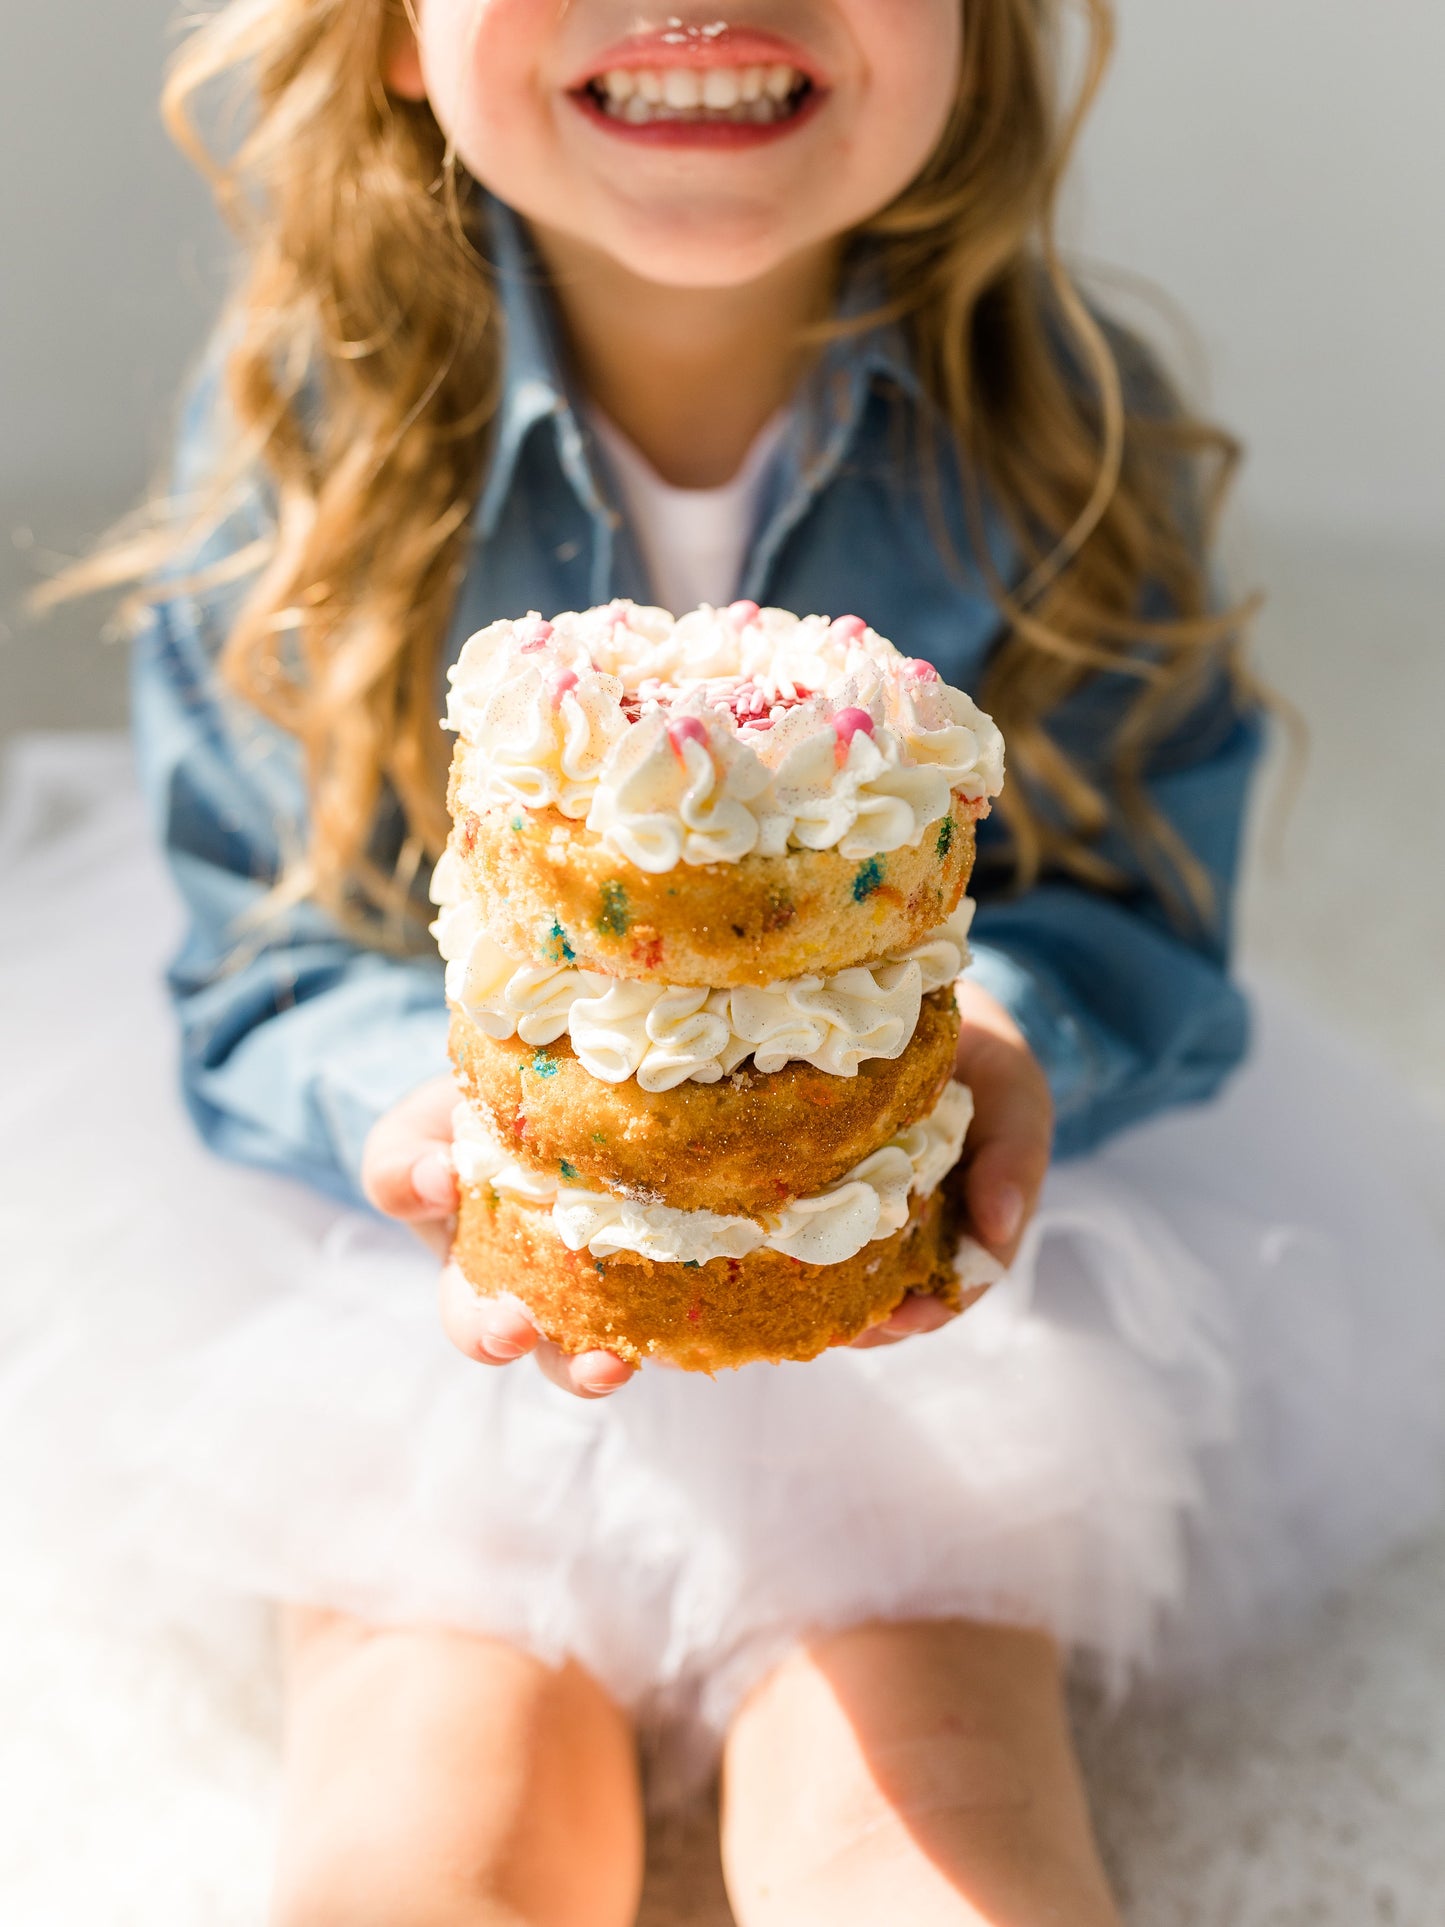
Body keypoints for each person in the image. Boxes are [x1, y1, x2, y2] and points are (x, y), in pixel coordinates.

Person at [8, 3, 1443, 1923]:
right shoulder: (312, 421)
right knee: (432, 1805)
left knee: (925, 1811)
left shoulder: (1061, 431)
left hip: (925, 1243)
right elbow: (271, 945)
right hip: (418, 1254)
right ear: (397, 37)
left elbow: (1133, 882)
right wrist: (436, 1128)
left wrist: (990, 1033)